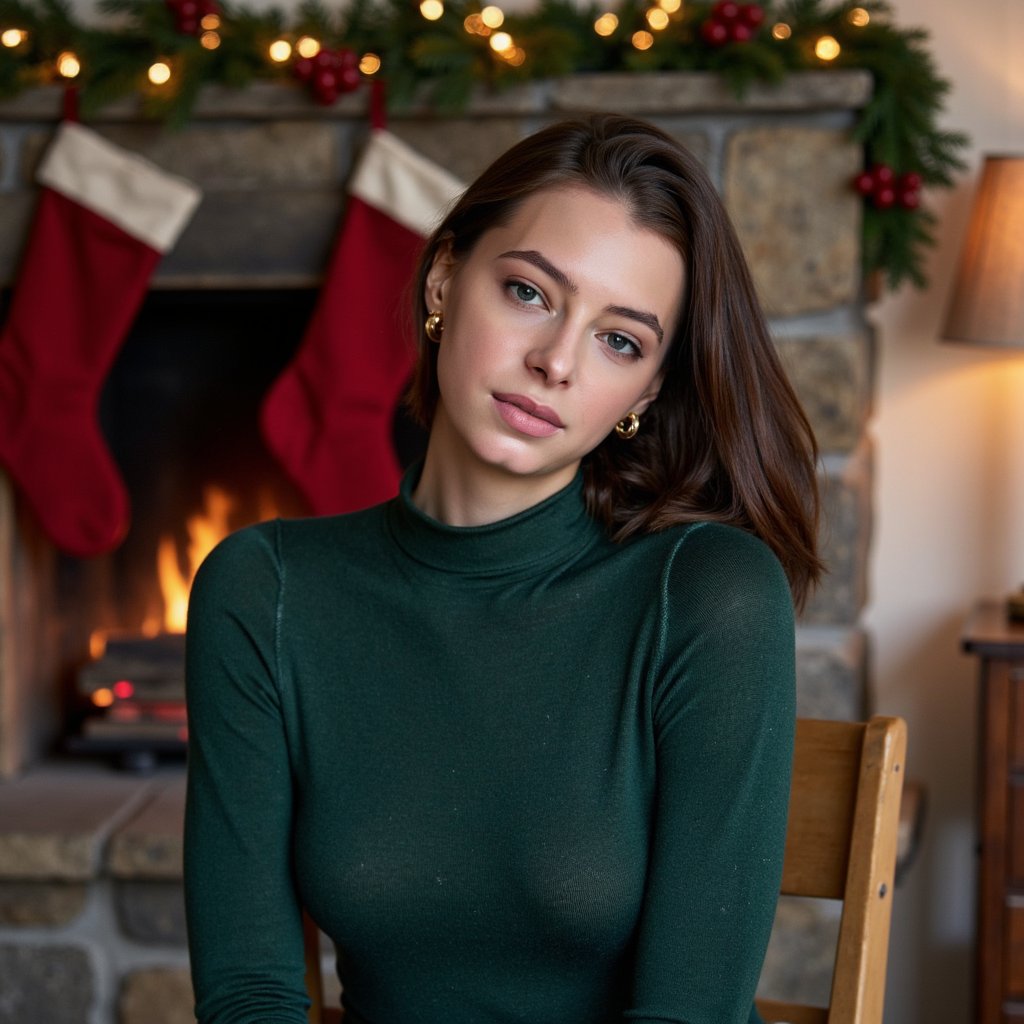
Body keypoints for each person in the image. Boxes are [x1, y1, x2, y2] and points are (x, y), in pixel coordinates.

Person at [184, 113, 822, 1024]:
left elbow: (692, 1014)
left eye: (620, 340)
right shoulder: (266, 590)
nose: (554, 361)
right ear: (445, 279)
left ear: (645, 392)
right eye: (529, 292)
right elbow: (249, 993)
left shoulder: (708, 597)